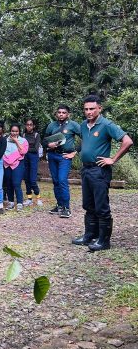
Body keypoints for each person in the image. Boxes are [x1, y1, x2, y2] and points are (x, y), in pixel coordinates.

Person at [72, 95, 133, 251]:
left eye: (92, 109)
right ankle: (89, 235)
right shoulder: (83, 125)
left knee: (101, 206)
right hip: (86, 169)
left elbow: (127, 141)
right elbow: (85, 143)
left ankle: (104, 241)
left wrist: (113, 159)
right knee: (88, 204)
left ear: (100, 108)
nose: (89, 112)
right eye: (86, 109)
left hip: (99, 170)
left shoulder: (106, 125)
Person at [43, 104, 81, 218]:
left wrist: (74, 152)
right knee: (55, 181)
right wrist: (49, 144)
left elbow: (86, 137)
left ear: (68, 114)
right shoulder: (51, 125)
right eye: (59, 112)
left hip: (64, 157)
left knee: (62, 180)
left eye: (64, 113)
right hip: (52, 155)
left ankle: (66, 208)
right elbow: (44, 141)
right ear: (56, 114)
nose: (61, 114)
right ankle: (59, 205)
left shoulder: (73, 125)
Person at [3, 124, 28, 210]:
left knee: (16, 183)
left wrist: (16, 141)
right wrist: (6, 160)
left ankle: (20, 203)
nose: (14, 133)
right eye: (13, 131)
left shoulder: (23, 141)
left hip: (18, 163)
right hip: (7, 164)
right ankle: (11, 202)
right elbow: (2, 152)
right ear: (10, 131)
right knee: (9, 183)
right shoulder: (5, 140)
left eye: (16, 131)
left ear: (19, 132)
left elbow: (23, 151)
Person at [23, 119, 43, 207]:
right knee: (26, 179)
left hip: (33, 158)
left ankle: (38, 198)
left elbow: (35, 149)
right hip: (25, 158)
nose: (29, 126)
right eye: (27, 124)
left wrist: (25, 149)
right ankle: (29, 198)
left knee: (33, 180)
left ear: (33, 126)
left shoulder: (36, 135)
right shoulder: (23, 135)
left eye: (30, 125)